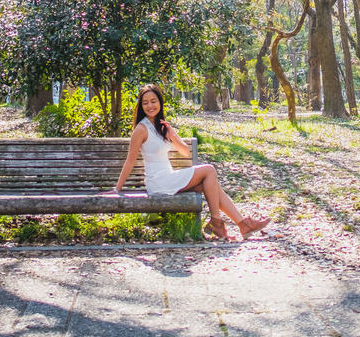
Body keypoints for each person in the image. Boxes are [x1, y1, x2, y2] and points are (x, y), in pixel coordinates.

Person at [112, 83, 271, 241]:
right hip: (159, 182)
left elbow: (185, 152)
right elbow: (130, 161)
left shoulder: (161, 126)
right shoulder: (141, 129)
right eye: (145, 103)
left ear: (160, 102)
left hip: (168, 177)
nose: (150, 106)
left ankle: (243, 225)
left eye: (153, 101)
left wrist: (172, 134)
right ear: (141, 106)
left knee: (210, 185)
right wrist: (117, 189)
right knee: (209, 170)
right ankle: (217, 222)